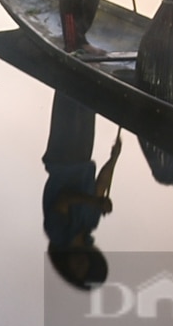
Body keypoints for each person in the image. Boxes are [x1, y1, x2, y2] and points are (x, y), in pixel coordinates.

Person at [42, 91, 122, 290]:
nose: (80, 265)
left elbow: (64, 199)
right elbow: (101, 185)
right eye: (85, 267)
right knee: (88, 96)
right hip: (84, 156)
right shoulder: (90, 223)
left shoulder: (57, 234)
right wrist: (114, 159)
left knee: (68, 92)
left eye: (77, 271)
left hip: (62, 157)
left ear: (68, 269)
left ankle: (70, 60)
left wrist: (95, 202)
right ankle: (88, 59)